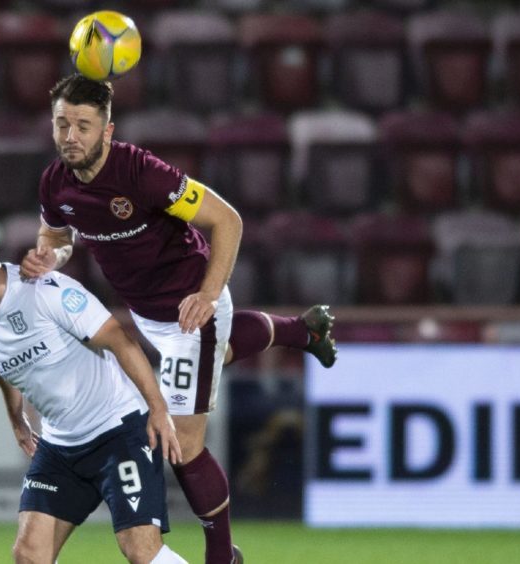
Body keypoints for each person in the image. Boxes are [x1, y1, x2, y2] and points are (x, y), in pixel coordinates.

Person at [20, 74, 338, 564]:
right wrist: (50, 258)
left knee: (182, 443)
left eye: (83, 125)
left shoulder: (142, 173)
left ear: (107, 131)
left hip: (191, 313)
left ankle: (221, 556)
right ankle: (301, 330)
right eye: (62, 123)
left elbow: (227, 219)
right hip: (146, 315)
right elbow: (57, 237)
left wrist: (209, 295)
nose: (70, 136)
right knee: (220, 357)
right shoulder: (54, 181)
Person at [0, 213, 188, 564]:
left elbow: (120, 341)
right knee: (28, 555)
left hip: (119, 430)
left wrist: (157, 408)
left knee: (140, 551)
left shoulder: (45, 289)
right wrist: (16, 417)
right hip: (61, 448)